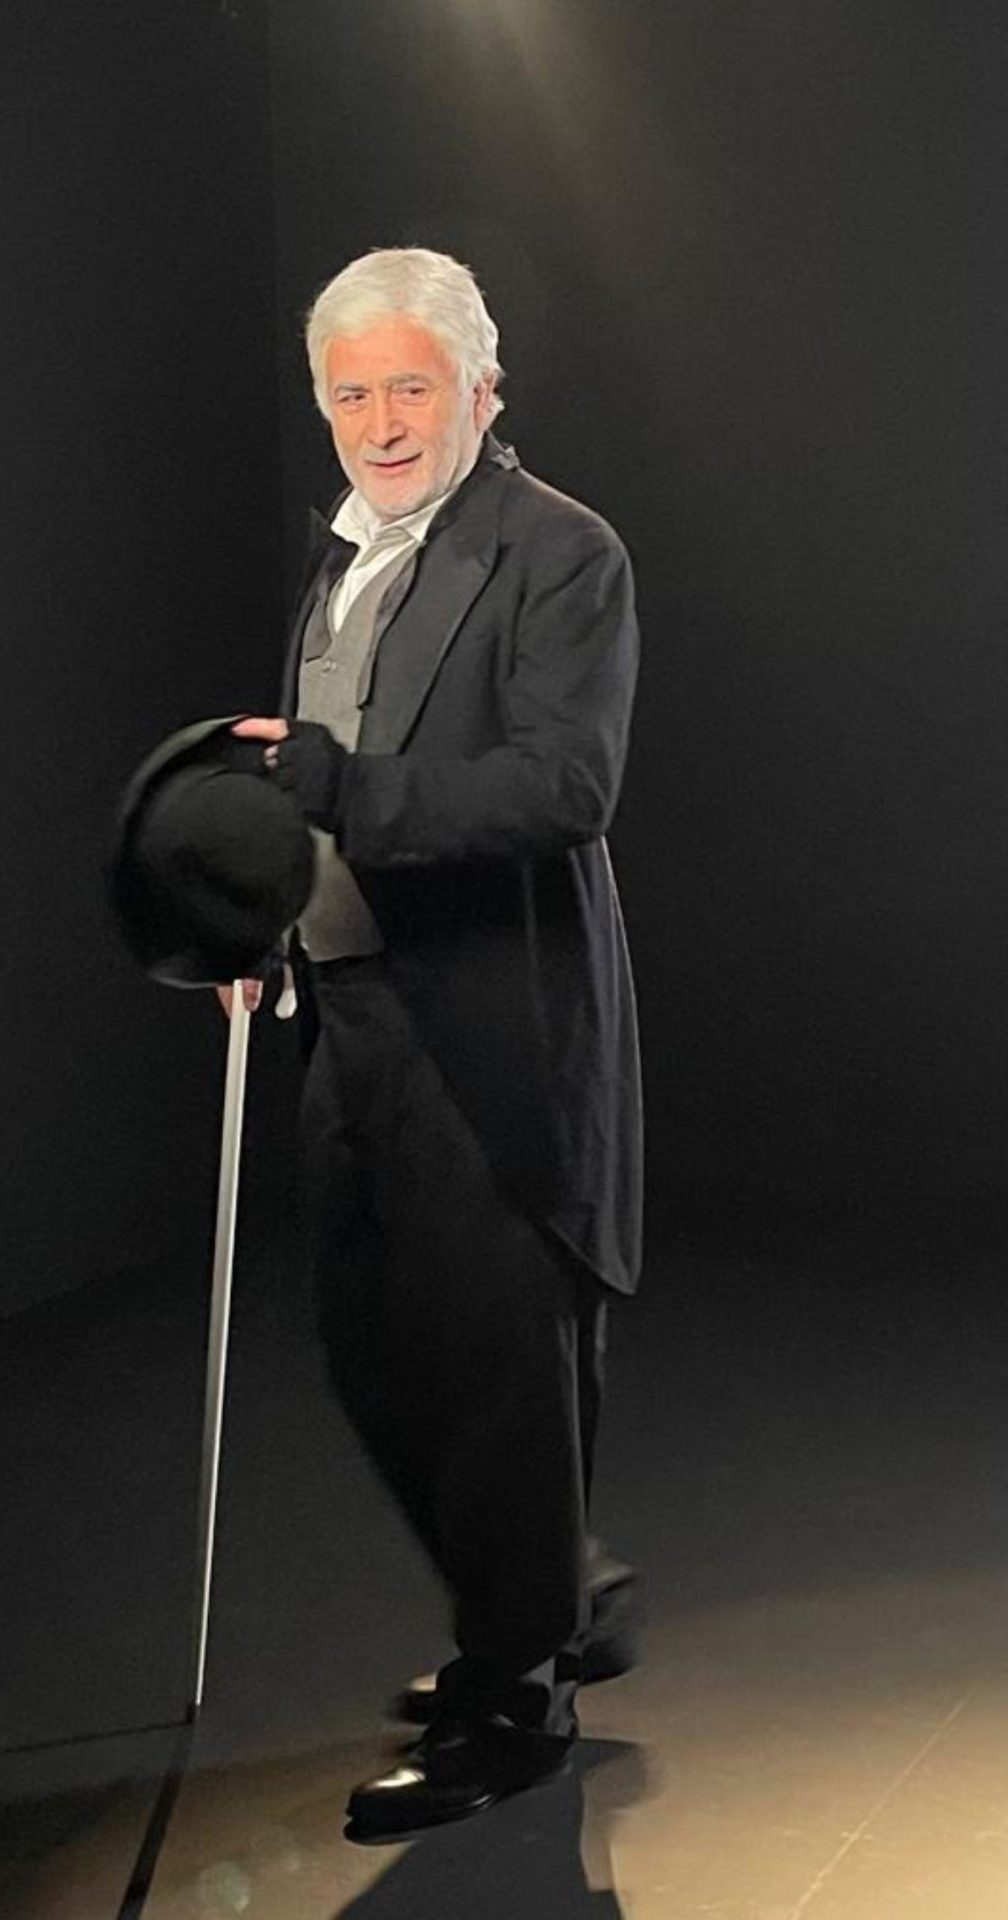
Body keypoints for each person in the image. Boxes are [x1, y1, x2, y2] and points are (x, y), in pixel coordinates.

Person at [228, 247, 643, 1843]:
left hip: (494, 1023)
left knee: (494, 1364)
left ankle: (515, 1695)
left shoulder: (560, 551)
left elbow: (564, 786)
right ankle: (551, 1589)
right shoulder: (341, 559)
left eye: (412, 387)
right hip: (346, 1015)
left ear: (482, 387)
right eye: (351, 394)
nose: (383, 422)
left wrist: (343, 786)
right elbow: (305, 807)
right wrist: (255, 930)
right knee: (370, 1352)